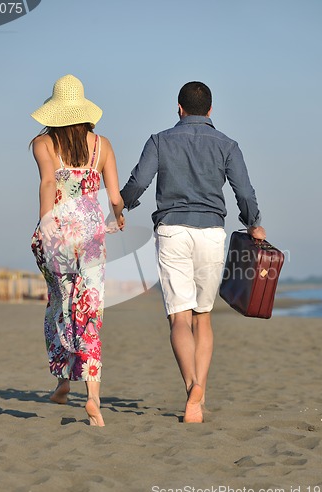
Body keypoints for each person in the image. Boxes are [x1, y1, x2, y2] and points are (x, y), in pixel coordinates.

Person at [120, 81, 266, 423]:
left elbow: (139, 182)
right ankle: (199, 394)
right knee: (203, 317)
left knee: (178, 317)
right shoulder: (227, 145)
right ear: (211, 110)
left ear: (179, 108)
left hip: (172, 230)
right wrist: (252, 222)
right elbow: (244, 191)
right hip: (211, 233)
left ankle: (192, 389)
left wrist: (121, 206)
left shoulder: (159, 140)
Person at [30, 74, 125, 426]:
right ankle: (93, 397)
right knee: (88, 312)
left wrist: (46, 221)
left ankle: (61, 384)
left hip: (57, 237)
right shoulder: (103, 145)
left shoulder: (43, 145)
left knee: (60, 306)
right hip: (91, 238)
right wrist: (118, 216)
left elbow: (48, 182)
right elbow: (114, 197)